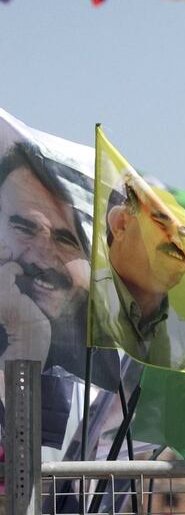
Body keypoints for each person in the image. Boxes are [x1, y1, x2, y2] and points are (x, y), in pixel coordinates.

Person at [0, 142, 90, 371]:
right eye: (24, 228)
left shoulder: (116, 370)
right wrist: (26, 340)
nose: (41, 256)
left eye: (66, 240)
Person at [98, 173, 185, 357]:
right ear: (121, 224)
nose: (173, 242)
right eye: (160, 224)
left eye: (181, 234)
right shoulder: (78, 301)